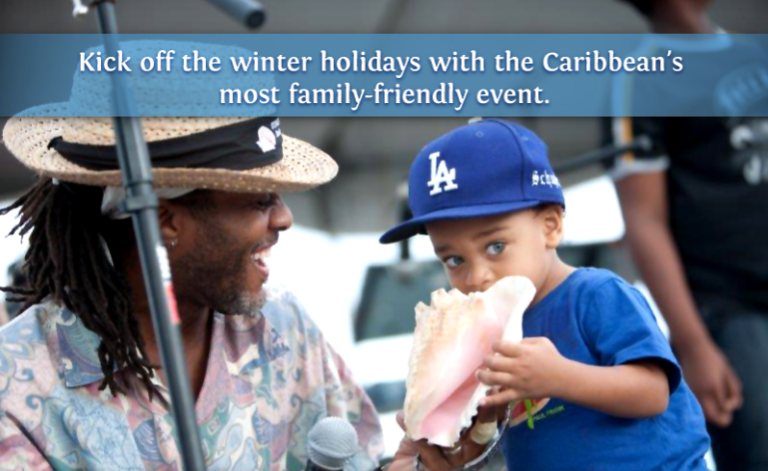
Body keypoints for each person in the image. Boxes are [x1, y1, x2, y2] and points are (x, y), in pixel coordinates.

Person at [0, 62, 384, 468]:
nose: (284, 218)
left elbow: (362, 457)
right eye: (260, 199)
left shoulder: (285, 325)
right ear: (164, 220)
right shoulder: (17, 383)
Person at [379, 119, 710, 471]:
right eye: (455, 260)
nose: (476, 276)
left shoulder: (595, 294)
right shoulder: (485, 335)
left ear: (551, 226)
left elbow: (654, 392)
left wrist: (558, 377)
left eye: (495, 246)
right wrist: (456, 438)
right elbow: (493, 434)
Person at [607, 2, 768, 469]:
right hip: (726, 310)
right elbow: (644, 219)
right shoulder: (641, 78)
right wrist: (694, 345)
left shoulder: (752, 53)